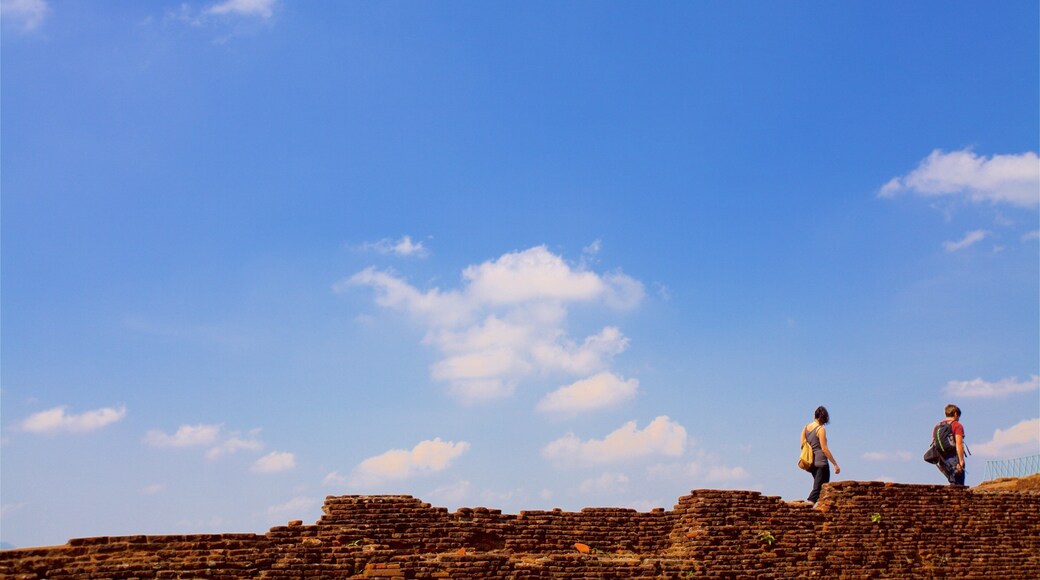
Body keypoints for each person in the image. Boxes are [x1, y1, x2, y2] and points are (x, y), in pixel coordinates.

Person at [801, 406, 840, 503]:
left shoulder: (805, 428)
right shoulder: (820, 429)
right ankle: (806, 508)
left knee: (820, 489)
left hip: (811, 464)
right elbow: (824, 449)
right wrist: (835, 464)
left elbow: (802, 445)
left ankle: (816, 510)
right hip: (821, 463)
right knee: (820, 489)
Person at [935, 404, 967, 486]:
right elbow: (959, 444)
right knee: (959, 485)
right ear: (955, 413)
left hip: (943, 459)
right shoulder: (957, 425)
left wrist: (939, 461)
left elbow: (935, 444)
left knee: (952, 482)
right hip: (954, 458)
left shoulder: (937, 426)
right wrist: (961, 461)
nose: (958, 418)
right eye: (959, 416)